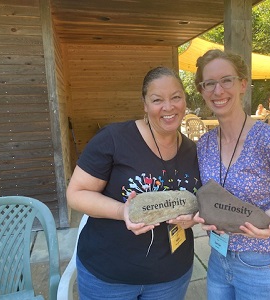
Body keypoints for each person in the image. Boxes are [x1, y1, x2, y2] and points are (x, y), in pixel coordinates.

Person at [66, 66, 202, 300]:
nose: (168, 107)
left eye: (176, 97)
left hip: (171, 277)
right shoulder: (114, 139)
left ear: (185, 100)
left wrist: (194, 215)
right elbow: (76, 193)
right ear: (145, 104)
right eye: (157, 99)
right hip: (109, 277)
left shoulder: (194, 151)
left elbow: (200, 199)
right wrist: (123, 210)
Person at [193, 49, 270, 300]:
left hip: (262, 262)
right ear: (202, 90)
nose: (218, 91)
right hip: (219, 259)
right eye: (210, 83)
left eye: (226, 80)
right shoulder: (204, 144)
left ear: (242, 84)